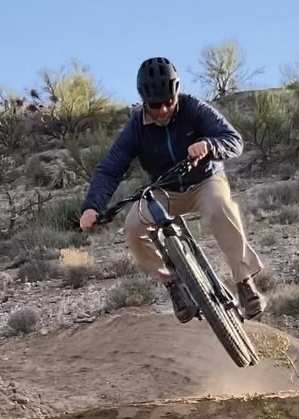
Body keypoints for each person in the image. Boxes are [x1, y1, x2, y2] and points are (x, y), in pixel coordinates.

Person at [78, 56, 266, 323]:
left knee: (222, 209)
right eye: (156, 105)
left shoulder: (193, 108)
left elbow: (233, 141)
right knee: (134, 228)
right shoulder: (136, 128)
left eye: (169, 101)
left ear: (176, 92)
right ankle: (174, 285)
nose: (164, 109)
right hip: (164, 190)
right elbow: (110, 169)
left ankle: (244, 280)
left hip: (205, 180)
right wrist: (92, 207)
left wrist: (209, 145)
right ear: (144, 101)